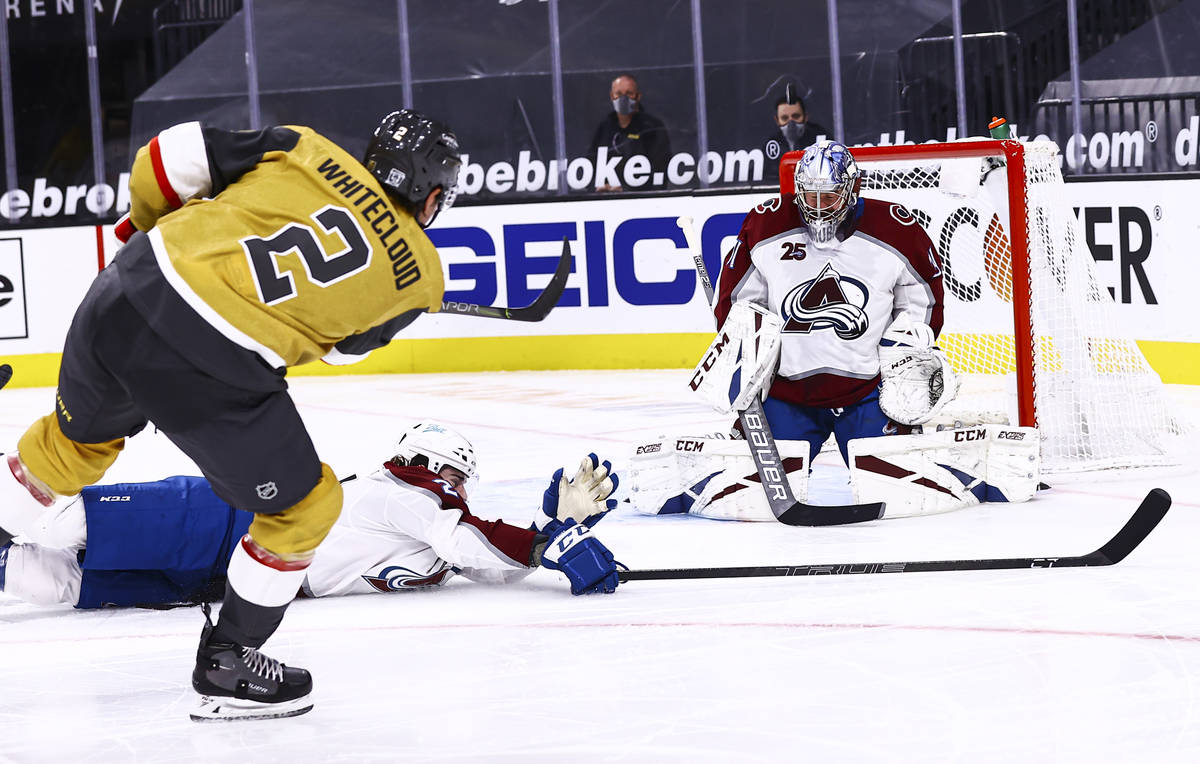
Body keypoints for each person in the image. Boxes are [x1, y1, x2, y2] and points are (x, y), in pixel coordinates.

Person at [0, 109, 464, 721]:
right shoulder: (421, 276)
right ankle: (230, 658)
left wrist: (144, 225)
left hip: (125, 292)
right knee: (304, 506)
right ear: (432, 194)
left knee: (73, 448)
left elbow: (163, 159)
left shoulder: (304, 146)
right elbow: (347, 349)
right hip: (210, 364)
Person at [0, 422, 622, 615]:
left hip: (250, 579)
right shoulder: (403, 491)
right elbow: (464, 537)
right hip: (228, 521)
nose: (457, 490)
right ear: (431, 464)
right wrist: (543, 544)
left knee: (72, 586)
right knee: (74, 525)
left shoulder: (427, 533)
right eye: (455, 478)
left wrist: (542, 533)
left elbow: (481, 564)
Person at [713, 140, 947, 466]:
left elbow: (923, 295)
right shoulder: (766, 225)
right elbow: (738, 299)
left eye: (830, 196)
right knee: (753, 488)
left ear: (852, 189)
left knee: (893, 480)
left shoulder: (896, 230)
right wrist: (745, 352)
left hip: (869, 393)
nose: (819, 207)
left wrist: (910, 343)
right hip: (787, 393)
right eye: (811, 196)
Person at [587, 73, 672, 192]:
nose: (623, 98)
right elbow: (590, 165)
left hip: (641, 199)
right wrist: (598, 188)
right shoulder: (604, 128)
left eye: (629, 94)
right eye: (619, 94)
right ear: (612, 96)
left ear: (638, 96)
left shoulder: (652, 127)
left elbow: (661, 169)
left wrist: (627, 190)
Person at [761, 84, 830, 186]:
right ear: (777, 120)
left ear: (806, 117)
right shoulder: (771, 146)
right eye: (785, 118)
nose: (791, 124)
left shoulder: (822, 139)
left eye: (796, 116)